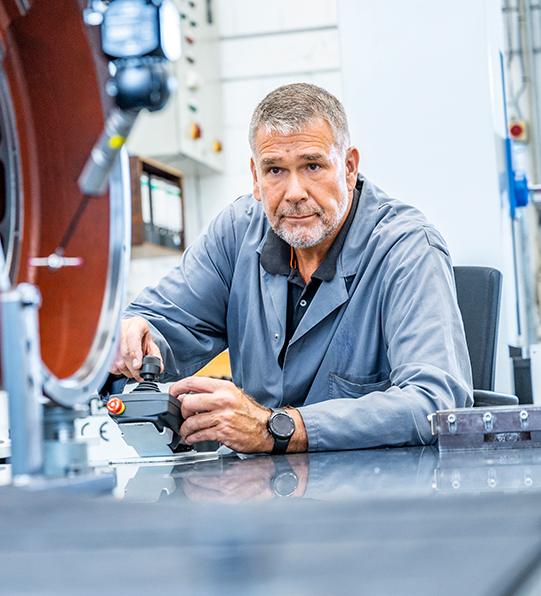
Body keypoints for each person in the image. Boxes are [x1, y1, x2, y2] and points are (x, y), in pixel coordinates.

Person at [110, 83, 472, 454]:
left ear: (348, 168)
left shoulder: (407, 249)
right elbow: (162, 322)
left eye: (312, 166)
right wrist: (132, 338)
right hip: (256, 484)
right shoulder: (237, 232)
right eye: (275, 170)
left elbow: (434, 403)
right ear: (256, 177)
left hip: (369, 485)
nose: (294, 192)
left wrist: (276, 428)